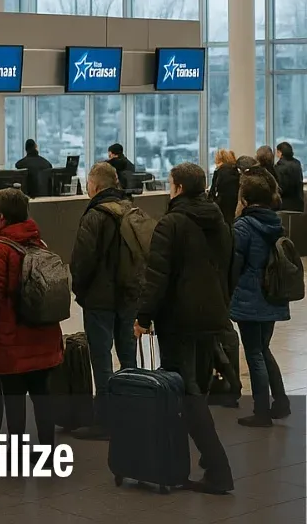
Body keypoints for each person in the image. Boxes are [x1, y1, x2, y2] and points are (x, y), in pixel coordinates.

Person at [136, 162, 234, 495]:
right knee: (198, 388)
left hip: (179, 320)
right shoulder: (218, 220)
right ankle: (211, 463)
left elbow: (157, 277)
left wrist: (144, 317)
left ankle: (218, 467)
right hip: (213, 316)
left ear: (177, 188)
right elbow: (227, 268)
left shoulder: (171, 223)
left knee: (187, 392)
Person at [0, 188, 62, 447]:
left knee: (14, 399)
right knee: (43, 396)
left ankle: (17, 450)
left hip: (11, 338)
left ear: (0, 215)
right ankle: (48, 449)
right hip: (44, 334)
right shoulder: (39, 242)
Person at [68, 162, 138, 441]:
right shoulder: (131, 210)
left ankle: (106, 420)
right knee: (128, 357)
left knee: (101, 358)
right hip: (129, 295)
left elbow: (81, 261)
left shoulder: (95, 215)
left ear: (94, 186)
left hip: (100, 298)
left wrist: (81, 291)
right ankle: (133, 412)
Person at [229, 173, 292, 426]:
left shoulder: (242, 227)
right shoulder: (276, 224)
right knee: (263, 349)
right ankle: (281, 401)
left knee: (254, 353)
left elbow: (234, 265)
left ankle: (262, 411)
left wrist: (226, 291)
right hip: (273, 295)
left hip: (249, 297)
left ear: (244, 198)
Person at [209, 149, 241, 226]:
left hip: (222, 212)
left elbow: (213, 194)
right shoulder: (236, 172)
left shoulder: (220, 173)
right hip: (235, 212)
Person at [274, 142, 304, 213]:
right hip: (298, 203)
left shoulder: (278, 167)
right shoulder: (297, 163)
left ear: (280, 153)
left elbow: (280, 187)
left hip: (283, 204)